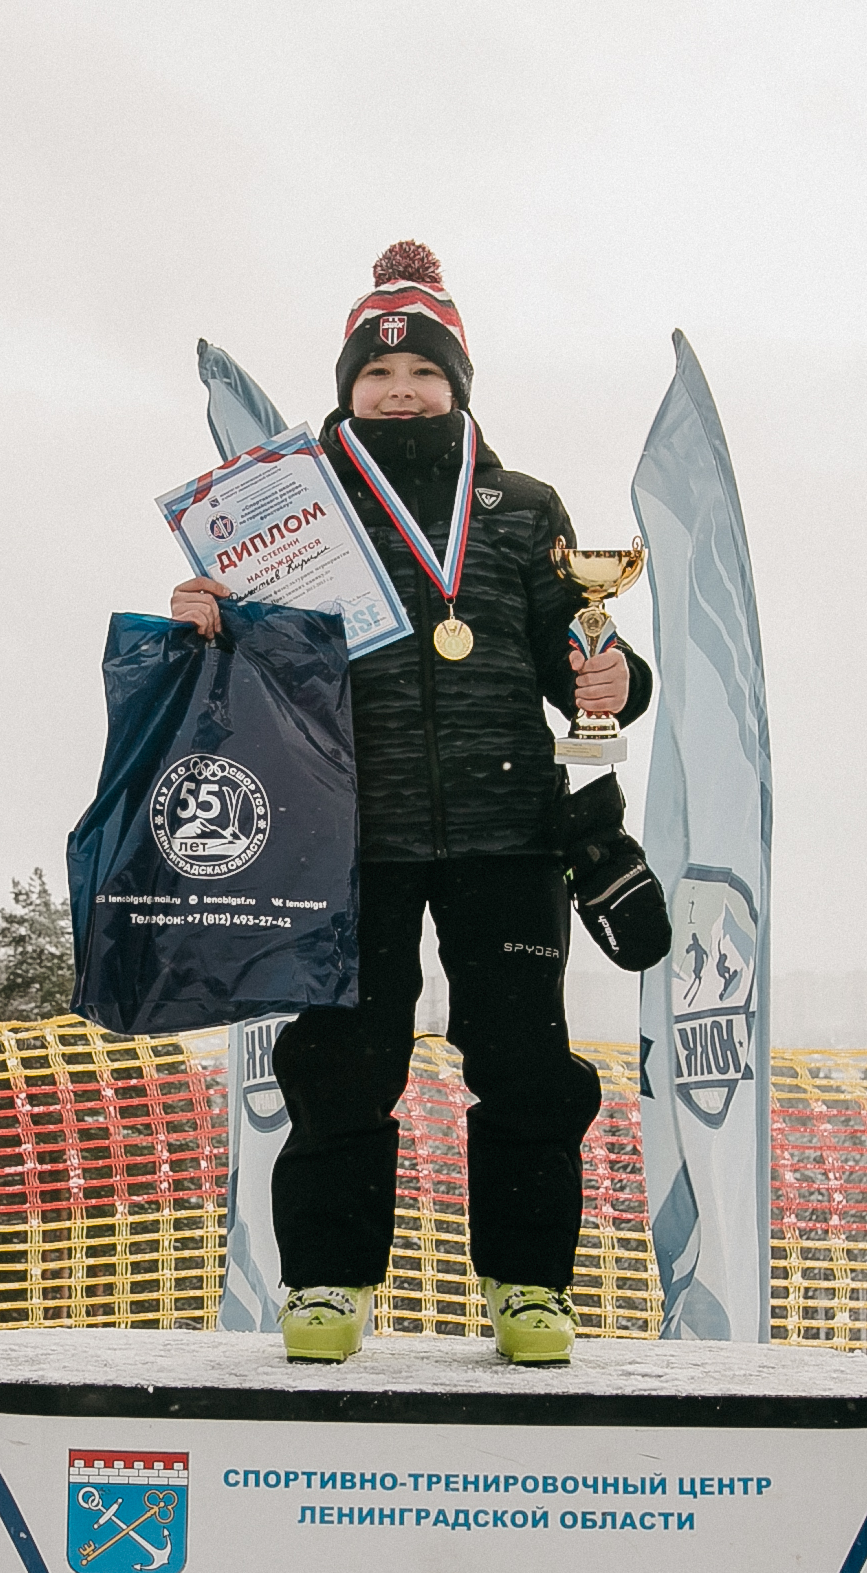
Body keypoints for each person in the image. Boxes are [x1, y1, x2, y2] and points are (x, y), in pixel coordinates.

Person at [173, 243, 663, 1366]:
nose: (400, 393)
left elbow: (572, 651)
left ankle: (530, 1286)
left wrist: (612, 673)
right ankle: (331, 1283)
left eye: (424, 376)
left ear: (459, 385)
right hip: (346, 832)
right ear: (348, 386)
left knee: (527, 1065)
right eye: (378, 376)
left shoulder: (524, 504)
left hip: (509, 830)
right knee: (342, 1064)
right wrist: (206, 611)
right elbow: (246, 666)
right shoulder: (290, 507)